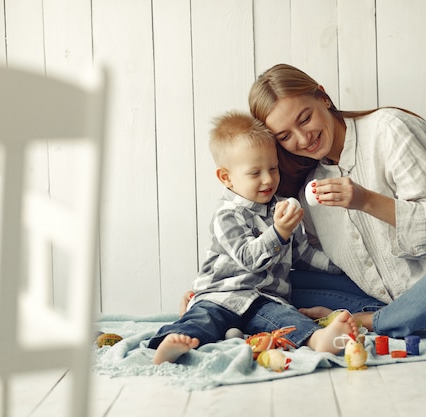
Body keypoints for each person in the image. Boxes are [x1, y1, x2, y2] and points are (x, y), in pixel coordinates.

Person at [246, 63, 426, 338]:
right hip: (390, 297)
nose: (302, 138)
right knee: (272, 282)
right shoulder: (310, 186)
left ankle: (371, 321)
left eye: (305, 118)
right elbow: (324, 261)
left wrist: (365, 200)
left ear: (323, 97)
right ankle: (416, 318)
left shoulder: (389, 129)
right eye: (285, 136)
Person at [149, 110, 358, 364]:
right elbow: (249, 258)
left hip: (265, 300)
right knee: (203, 319)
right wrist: (279, 232)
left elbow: (302, 255)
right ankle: (172, 344)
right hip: (222, 296)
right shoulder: (227, 216)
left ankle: (318, 340)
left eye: (273, 168)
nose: (268, 179)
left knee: (287, 321)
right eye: (255, 173)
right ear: (226, 178)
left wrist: (343, 265)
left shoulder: (281, 207)